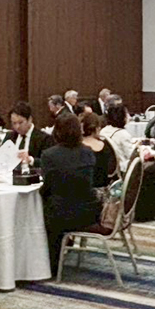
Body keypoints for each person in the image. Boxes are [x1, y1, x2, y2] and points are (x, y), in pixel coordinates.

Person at [39, 113, 102, 271]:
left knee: (43, 208)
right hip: (89, 212)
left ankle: (49, 263)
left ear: (57, 132)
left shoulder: (49, 155)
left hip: (62, 215)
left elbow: (47, 188)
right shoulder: (88, 152)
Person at [80, 111, 113, 187]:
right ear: (97, 128)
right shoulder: (106, 145)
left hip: (83, 189)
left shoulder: (76, 147)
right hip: (103, 188)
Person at [100, 101, 137, 168]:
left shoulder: (103, 131)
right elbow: (131, 155)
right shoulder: (123, 134)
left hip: (107, 167)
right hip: (122, 167)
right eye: (127, 114)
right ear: (122, 117)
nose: (129, 117)